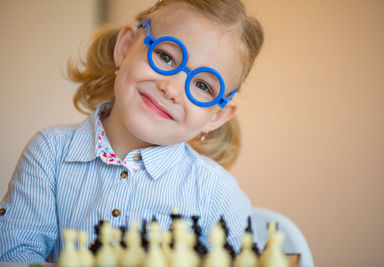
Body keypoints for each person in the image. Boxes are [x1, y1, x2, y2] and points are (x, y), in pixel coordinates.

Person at [0, 0, 263, 262]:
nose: (171, 89)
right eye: (166, 56)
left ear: (216, 115)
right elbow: (14, 255)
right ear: (125, 47)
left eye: (203, 86)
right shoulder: (50, 153)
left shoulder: (217, 193)